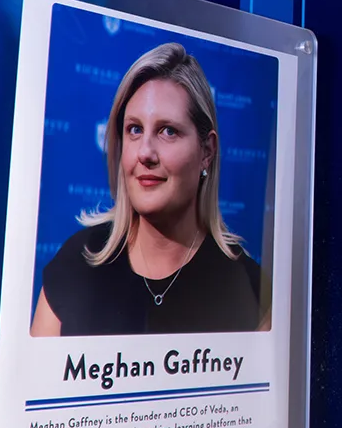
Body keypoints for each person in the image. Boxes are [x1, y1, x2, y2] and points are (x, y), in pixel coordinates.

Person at [31, 42, 264, 336]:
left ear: (207, 150)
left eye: (168, 131)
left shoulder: (251, 293)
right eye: (135, 130)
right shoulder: (76, 264)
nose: (145, 153)